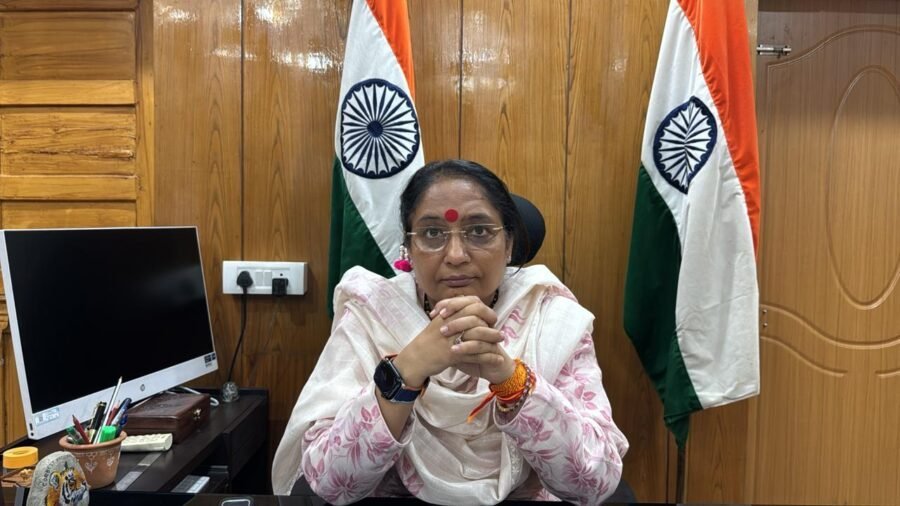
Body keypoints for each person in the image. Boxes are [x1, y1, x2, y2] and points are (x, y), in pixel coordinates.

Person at [272, 160, 628, 505]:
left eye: (479, 232)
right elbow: (329, 482)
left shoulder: (551, 317)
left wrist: (510, 379)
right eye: (432, 234)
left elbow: (594, 483)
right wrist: (405, 371)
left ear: (509, 245)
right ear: (408, 250)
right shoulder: (373, 315)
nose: (456, 255)